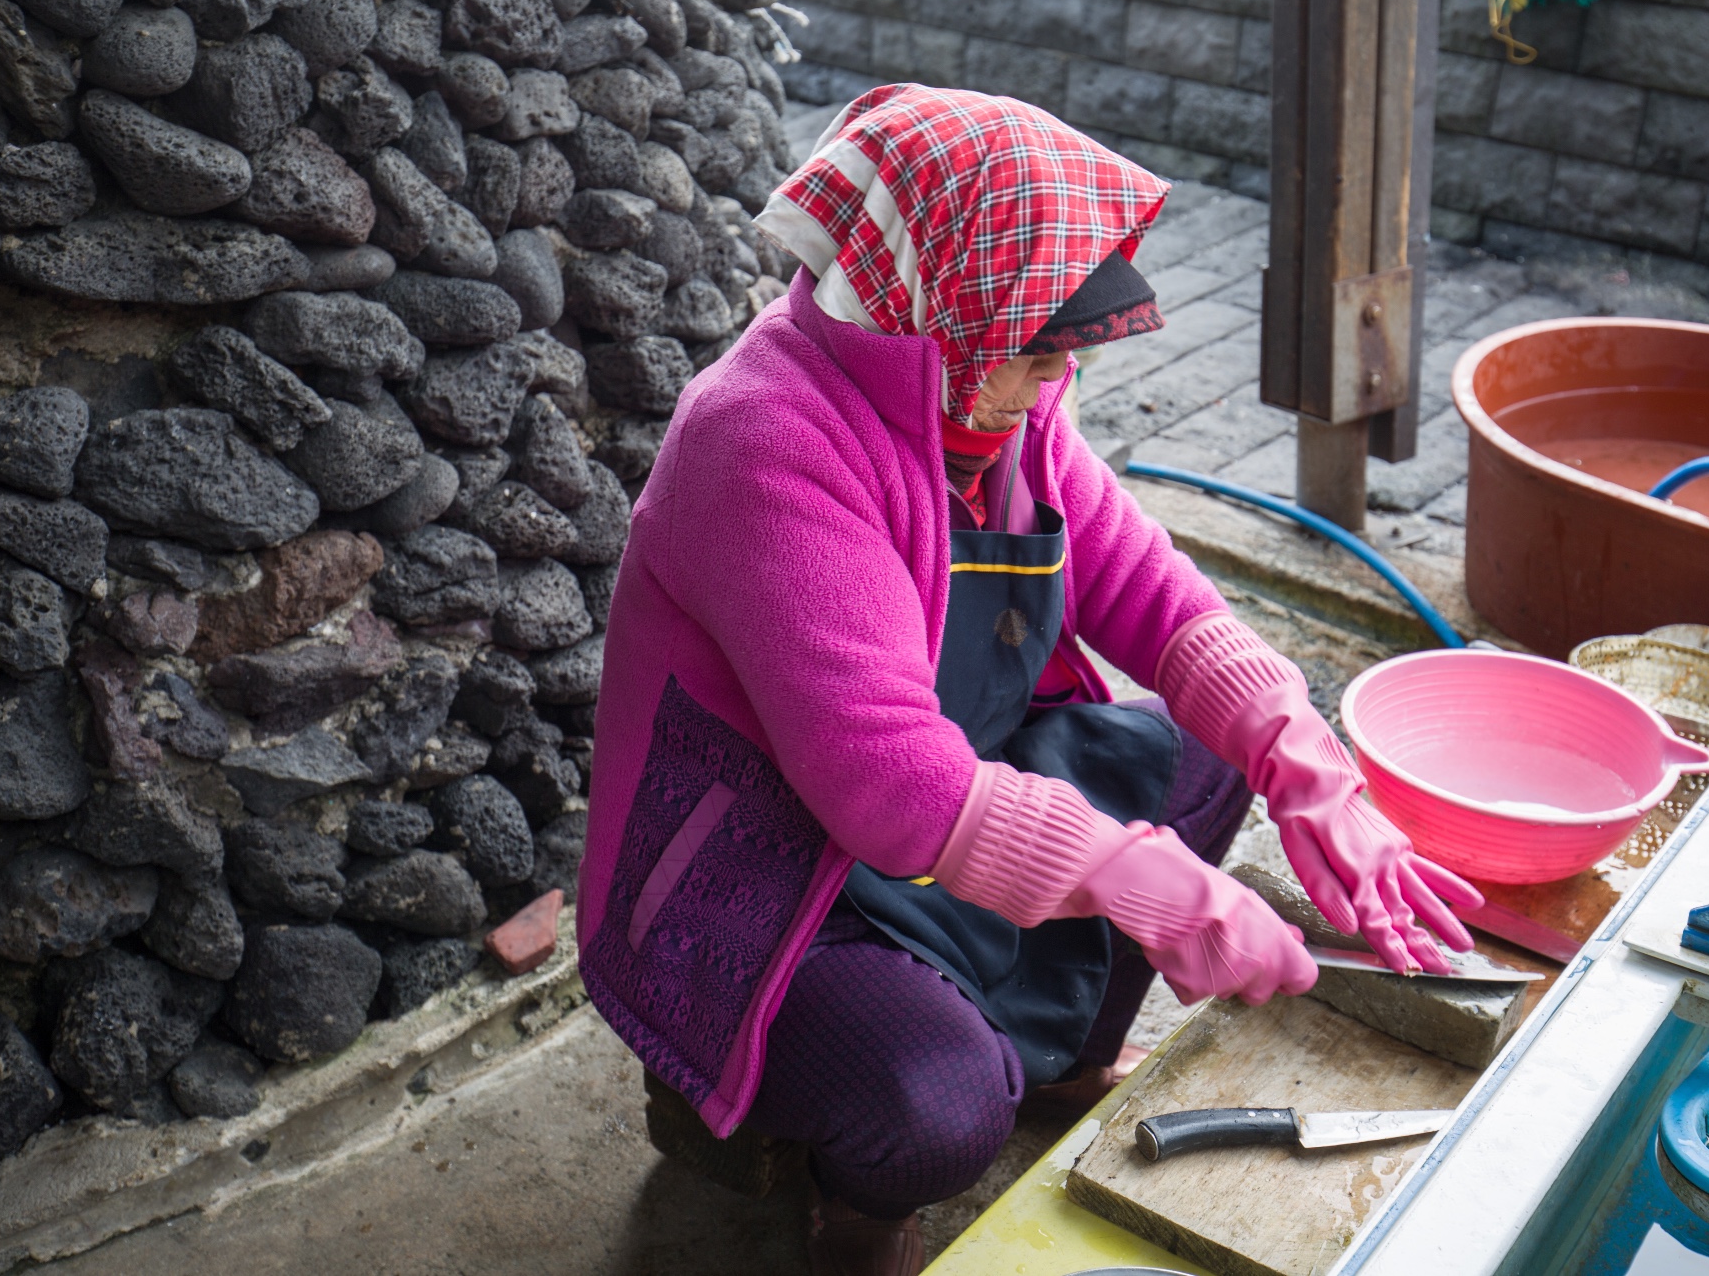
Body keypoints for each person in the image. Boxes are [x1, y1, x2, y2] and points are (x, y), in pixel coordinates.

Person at [578, 85, 1482, 1276]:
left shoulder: (993, 399)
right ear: (932, 309)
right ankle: (860, 1208)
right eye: (1035, 348)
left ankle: (1055, 1059)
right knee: (940, 1108)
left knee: (1209, 758)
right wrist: (1151, 886)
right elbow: (893, 791)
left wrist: (1305, 764)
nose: (1053, 383)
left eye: (1066, 352)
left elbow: (1154, 596)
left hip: (950, 797)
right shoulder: (760, 441)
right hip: (777, 866)